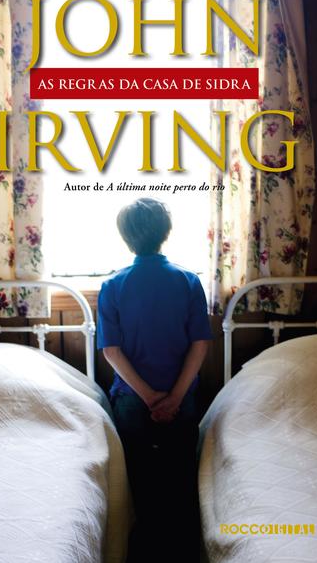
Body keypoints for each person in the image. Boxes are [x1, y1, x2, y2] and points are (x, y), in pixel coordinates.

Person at [97, 198, 212, 563]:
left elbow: (111, 351)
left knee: (139, 480)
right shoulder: (188, 281)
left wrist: (149, 397)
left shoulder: (113, 285)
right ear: (166, 232)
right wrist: (174, 397)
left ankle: (143, 548)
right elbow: (200, 344)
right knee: (180, 476)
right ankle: (180, 548)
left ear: (125, 237)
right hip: (182, 397)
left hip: (133, 399)